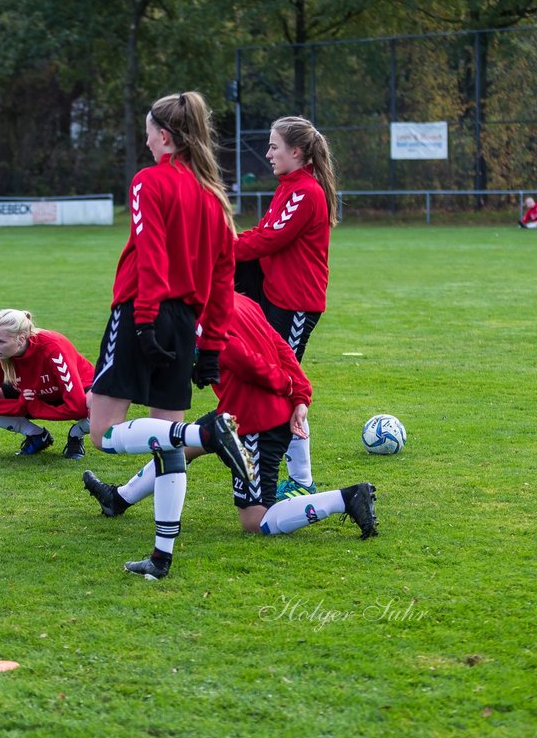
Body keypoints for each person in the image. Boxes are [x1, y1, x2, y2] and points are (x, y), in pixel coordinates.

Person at [86, 90, 248, 582]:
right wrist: (212, 347)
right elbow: (224, 278)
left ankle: (205, 433)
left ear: (166, 136)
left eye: (149, 130)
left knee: (103, 435)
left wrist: (142, 318)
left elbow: (151, 251)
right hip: (186, 323)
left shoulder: (148, 182)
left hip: (144, 310)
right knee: (166, 443)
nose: (146, 138)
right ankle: (161, 558)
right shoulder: (215, 197)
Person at [83, 292, 378, 542]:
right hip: (240, 413)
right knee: (183, 443)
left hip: (256, 423)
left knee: (255, 519)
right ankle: (117, 499)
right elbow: (279, 346)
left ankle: (347, 498)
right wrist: (300, 392)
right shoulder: (239, 300)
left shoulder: (201, 316)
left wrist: (289, 387)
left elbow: (242, 358)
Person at [231, 115, 338, 503]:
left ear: (297, 151)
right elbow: (261, 235)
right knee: (278, 384)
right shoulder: (289, 188)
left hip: (296, 304)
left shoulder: (305, 192)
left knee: (285, 386)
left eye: (274, 146)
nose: (268, 153)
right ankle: (298, 477)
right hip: (277, 299)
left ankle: (301, 480)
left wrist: (219, 249)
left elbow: (269, 239)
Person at [0, 308, 94, 458]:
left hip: (72, 392)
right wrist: (21, 405)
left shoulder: (52, 347)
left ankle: (76, 434)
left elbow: (77, 408)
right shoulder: (0, 352)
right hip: (30, 395)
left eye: (1, 341)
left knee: (100, 404)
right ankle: (36, 435)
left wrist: (36, 408)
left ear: (21, 339)